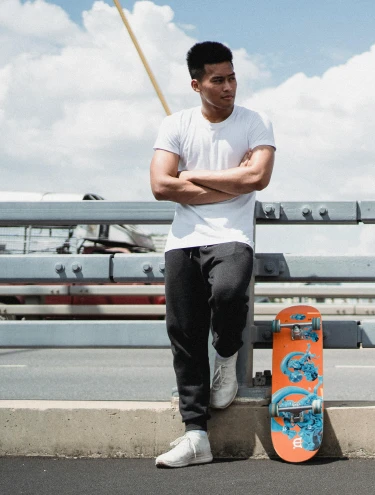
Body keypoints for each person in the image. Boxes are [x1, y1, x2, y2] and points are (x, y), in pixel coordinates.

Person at [149, 41, 276, 468]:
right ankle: (196, 436)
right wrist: (232, 180)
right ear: (197, 83)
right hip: (183, 241)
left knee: (228, 294)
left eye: (232, 77)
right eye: (218, 80)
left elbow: (258, 177)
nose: (228, 87)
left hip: (232, 237)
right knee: (184, 336)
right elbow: (161, 186)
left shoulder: (255, 122)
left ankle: (225, 354)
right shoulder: (176, 124)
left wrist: (192, 174)